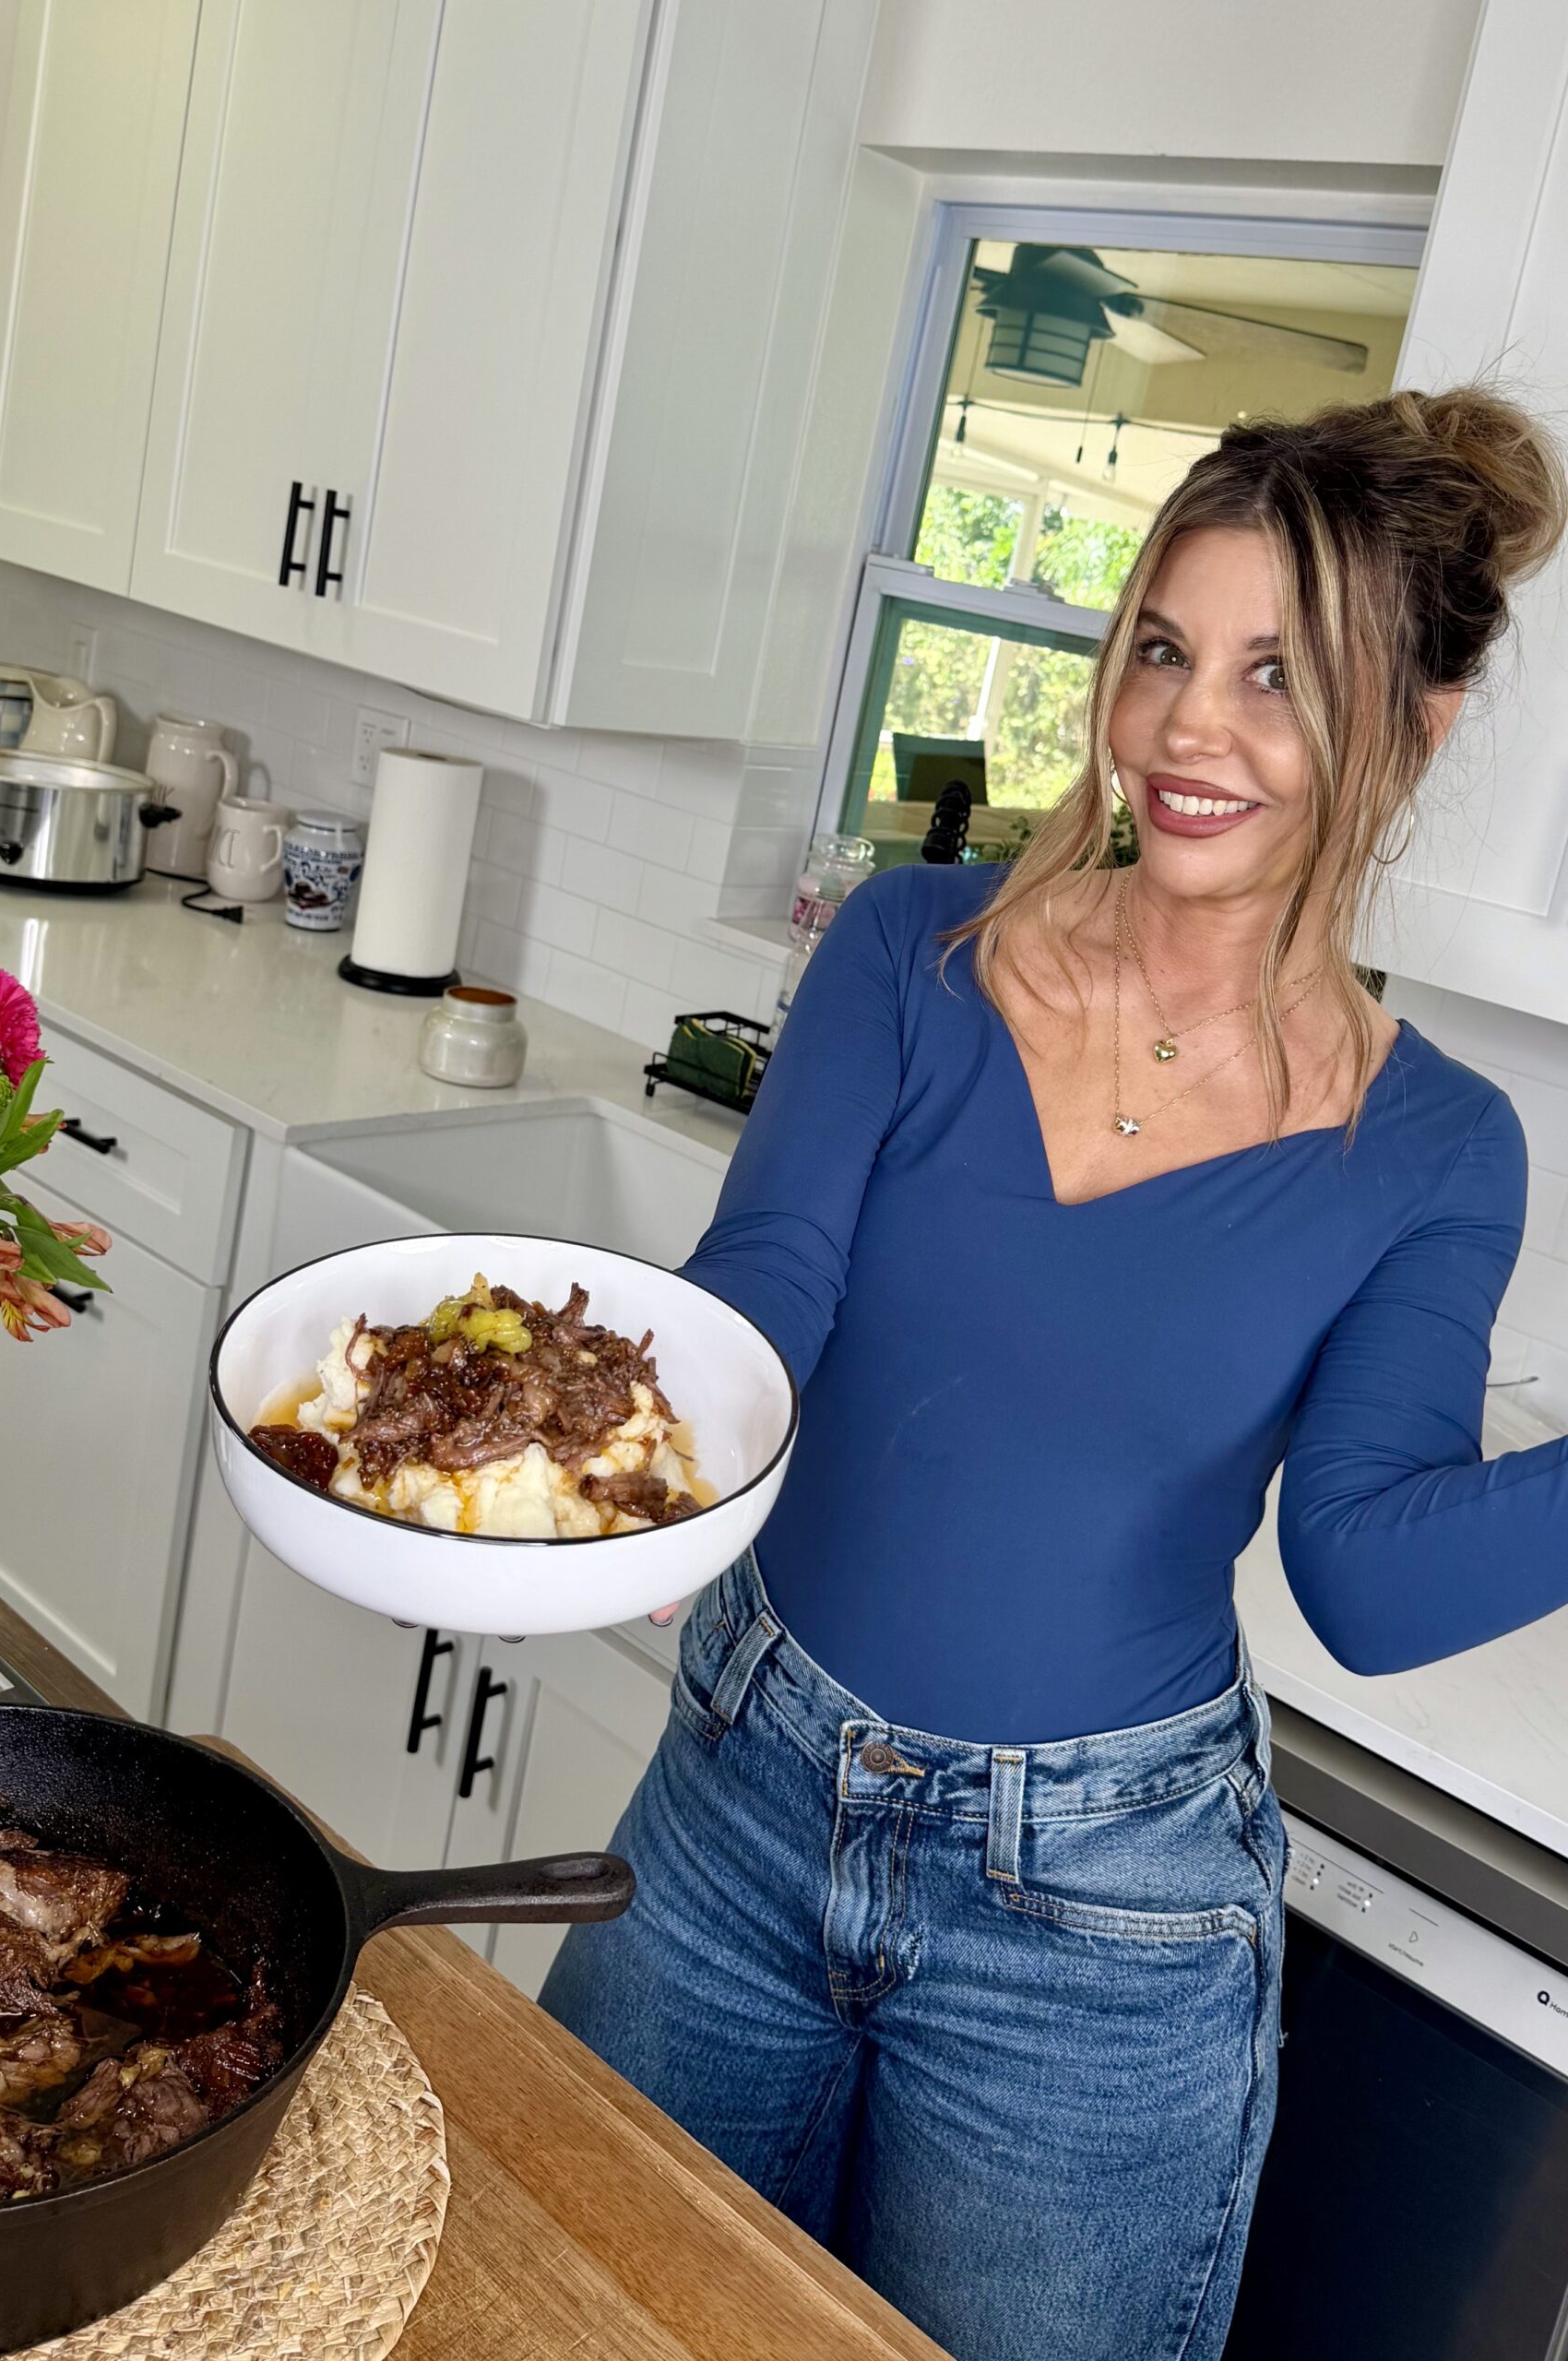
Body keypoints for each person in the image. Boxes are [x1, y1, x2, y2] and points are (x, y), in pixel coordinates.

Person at [540, 385, 1568, 2361]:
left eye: (1283, 677)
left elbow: (1366, 1570)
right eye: (1168, 649)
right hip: (744, 1796)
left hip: (1096, 1925)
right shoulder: (916, 952)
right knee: (579, 2298)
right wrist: (594, 1460)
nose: (1194, 725)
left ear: (1412, 730)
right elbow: (764, 1290)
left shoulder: (1436, 1147)